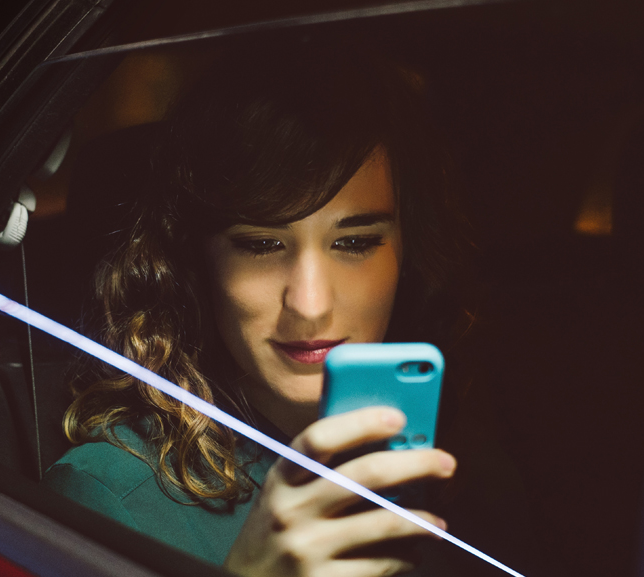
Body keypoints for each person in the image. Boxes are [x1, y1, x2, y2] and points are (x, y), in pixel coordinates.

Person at [44, 40, 484, 576]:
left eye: (354, 242)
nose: (310, 305)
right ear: (197, 259)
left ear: (408, 254)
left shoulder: (473, 471)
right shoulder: (112, 495)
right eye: (262, 244)